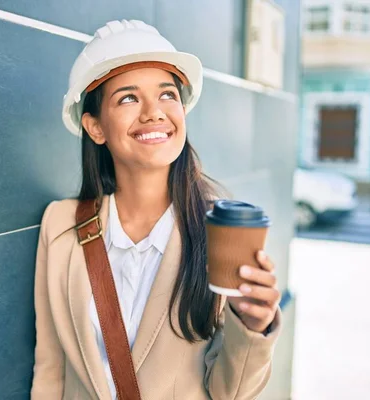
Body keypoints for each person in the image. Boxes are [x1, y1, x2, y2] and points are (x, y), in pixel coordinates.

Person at [31, 20, 281, 400]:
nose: (154, 112)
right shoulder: (60, 225)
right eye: (128, 98)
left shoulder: (219, 232)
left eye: (167, 95)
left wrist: (251, 325)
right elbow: (50, 369)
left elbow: (228, 392)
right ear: (95, 127)